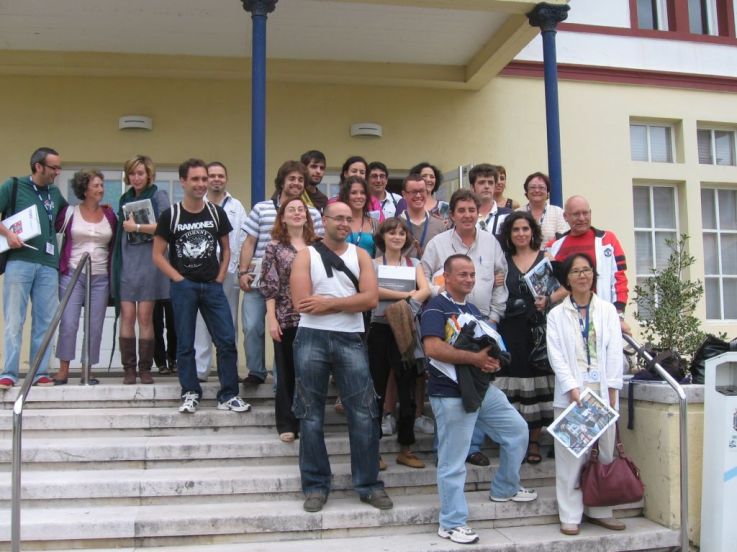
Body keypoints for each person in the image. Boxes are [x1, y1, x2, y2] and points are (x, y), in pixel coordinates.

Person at [421, 254, 536, 545]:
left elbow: (485, 345)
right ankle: (451, 523)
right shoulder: (435, 307)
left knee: (517, 430)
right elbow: (432, 348)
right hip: (449, 392)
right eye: (462, 274)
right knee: (453, 461)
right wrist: (475, 359)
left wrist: (491, 361)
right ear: (446, 277)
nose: (469, 279)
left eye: (472, 274)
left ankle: (505, 487)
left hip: (481, 387)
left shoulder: (472, 309)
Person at [290, 201, 392, 513]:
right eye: (339, 218)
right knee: (310, 415)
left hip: (351, 338)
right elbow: (302, 303)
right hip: (311, 337)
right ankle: (315, 485)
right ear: (325, 221)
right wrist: (349, 302)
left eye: (349, 219)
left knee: (364, 413)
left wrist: (328, 304)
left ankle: (369, 485)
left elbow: (371, 299)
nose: (345, 223)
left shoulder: (360, 255)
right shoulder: (306, 255)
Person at [153, 158, 250, 414]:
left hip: (213, 286)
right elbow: (157, 255)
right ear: (183, 181)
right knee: (186, 343)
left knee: (226, 340)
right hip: (184, 287)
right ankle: (190, 392)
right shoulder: (171, 215)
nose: (201, 184)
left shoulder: (216, 213)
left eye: (204, 179)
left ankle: (228, 395)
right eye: (195, 179)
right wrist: (178, 279)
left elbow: (227, 249)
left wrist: (219, 277)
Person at [421, 188, 509, 466]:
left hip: (483, 322)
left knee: (479, 383)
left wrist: (494, 318)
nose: (467, 215)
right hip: (449, 322)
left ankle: (473, 446)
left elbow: (501, 279)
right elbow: (423, 276)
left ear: (478, 212)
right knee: (449, 386)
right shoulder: (438, 243)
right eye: (462, 210)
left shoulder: (491, 242)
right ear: (452, 214)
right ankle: (446, 449)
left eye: (472, 210)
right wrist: (441, 298)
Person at [546, 252, 624, 535]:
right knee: (571, 455)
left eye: (587, 270)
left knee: (604, 452)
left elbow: (614, 350)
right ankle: (570, 514)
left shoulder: (606, 310)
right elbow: (556, 355)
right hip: (573, 393)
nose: (582, 275)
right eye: (576, 271)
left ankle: (601, 509)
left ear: (594, 274)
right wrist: (571, 387)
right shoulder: (556, 315)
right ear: (567, 278)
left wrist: (612, 386)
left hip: (602, 390)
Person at [238, 160, 323, 386]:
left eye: (300, 180)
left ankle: (280, 380)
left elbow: (319, 246)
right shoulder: (262, 208)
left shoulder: (312, 214)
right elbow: (249, 242)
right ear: (282, 182)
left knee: (285, 331)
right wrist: (243, 272)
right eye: (291, 179)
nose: (296, 183)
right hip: (259, 279)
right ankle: (256, 371)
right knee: (252, 326)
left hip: (293, 286)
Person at [0, 147, 68, 389]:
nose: (57, 172)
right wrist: (8, 234)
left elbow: (66, 218)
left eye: (59, 168)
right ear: (38, 166)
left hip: (49, 265)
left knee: (44, 321)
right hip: (19, 261)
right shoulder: (13, 185)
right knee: (14, 320)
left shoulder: (55, 193)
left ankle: (39, 373)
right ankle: (9, 372)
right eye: (54, 167)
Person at [368, 218, 431, 469]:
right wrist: (406, 295)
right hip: (380, 328)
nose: (397, 237)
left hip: (405, 328)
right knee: (376, 389)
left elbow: (426, 290)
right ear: (382, 237)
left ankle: (406, 447)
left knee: (407, 388)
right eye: (391, 233)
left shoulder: (414, 264)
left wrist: (403, 301)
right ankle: (373, 449)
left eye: (401, 233)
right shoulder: (372, 264)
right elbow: (373, 291)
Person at [495, 211, 556, 464]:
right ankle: (513, 442)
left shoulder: (546, 259)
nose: (521, 234)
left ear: (533, 232)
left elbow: (563, 288)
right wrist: (496, 281)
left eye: (525, 229)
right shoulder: (502, 261)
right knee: (511, 387)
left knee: (536, 384)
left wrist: (549, 299)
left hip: (537, 331)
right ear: (509, 235)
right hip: (509, 331)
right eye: (515, 230)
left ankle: (533, 442)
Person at [260, 197, 317, 442]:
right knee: (286, 372)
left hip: (315, 317)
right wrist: (271, 319)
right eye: (291, 210)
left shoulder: (317, 245)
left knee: (311, 371)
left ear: (307, 216)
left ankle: (308, 421)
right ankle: (286, 422)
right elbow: (269, 285)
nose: (296, 213)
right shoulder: (274, 247)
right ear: (282, 217)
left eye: (300, 209)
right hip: (286, 317)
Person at [54, 170, 117, 385]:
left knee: (95, 326)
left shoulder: (109, 215)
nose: (101, 189)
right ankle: (63, 370)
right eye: (96, 185)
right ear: (84, 189)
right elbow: (50, 230)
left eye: (101, 185)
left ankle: (86, 370)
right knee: (69, 322)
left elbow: (116, 243)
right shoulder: (70, 212)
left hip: (101, 276)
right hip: (73, 273)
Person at [112, 154, 170, 385]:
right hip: (126, 260)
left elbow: (166, 226)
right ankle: (129, 369)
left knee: (145, 317)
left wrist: (136, 226)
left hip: (149, 260)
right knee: (127, 316)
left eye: (140, 173)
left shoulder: (158, 195)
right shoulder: (124, 198)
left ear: (149, 175)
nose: (136, 178)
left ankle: (145, 368)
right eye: (132, 173)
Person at [194, 162, 247, 382]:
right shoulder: (198, 204)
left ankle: (229, 370)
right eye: (212, 176)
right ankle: (200, 370)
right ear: (206, 179)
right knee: (201, 322)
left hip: (229, 271)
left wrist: (240, 268)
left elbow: (243, 239)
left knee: (228, 322)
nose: (216, 179)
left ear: (226, 179)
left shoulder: (236, 206)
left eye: (220, 176)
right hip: (201, 272)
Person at [547, 195, 630, 334]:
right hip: (567, 321)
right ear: (565, 216)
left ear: (590, 213)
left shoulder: (608, 240)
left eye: (585, 213)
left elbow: (619, 280)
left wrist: (619, 315)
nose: (581, 218)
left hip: (602, 319)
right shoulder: (553, 246)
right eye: (576, 214)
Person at [399, 173, 446, 258]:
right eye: (413, 192)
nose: (418, 195)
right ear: (404, 194)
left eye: (421, 191)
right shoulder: (393, 225)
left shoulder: (439, 225)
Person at [517, 172, 568, 244]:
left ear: (547, 192)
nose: (537, 190)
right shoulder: (517, 213)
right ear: (527, 191)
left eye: (541, 187)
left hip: (551, 251)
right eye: (532, 187)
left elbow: (562, 239)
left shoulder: (558, 212)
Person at [396, 162, 449, 226]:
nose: (428, 179)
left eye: (432, 177)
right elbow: (397, 226)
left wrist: (445, 226)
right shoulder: (404, 202)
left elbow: (451, 229)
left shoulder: (444, 207)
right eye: (424, 176)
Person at [338, 176, 378, 258]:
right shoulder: (337, 222)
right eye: (354, 193)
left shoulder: (374, 224)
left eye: (362, 193)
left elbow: (380, 254)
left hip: (370, 265)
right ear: (346, 196)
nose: (359, 196)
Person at [468, 163, 511, 238]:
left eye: (490, 183)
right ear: (472, 187)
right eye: (481, 182)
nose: (487, 186)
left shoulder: (508, 215)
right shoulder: (464, 216)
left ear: (495, 186)